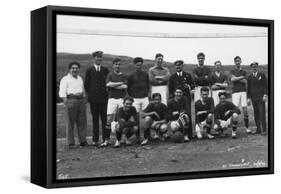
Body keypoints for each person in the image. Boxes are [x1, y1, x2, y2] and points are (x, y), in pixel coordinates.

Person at [59, 61, 88, 147]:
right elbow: (62, 92)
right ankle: (70, 143)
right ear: (69, 69)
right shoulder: (65, 79)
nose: (75, 70)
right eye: (73, 68)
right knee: (70, 123)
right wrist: (66, 102)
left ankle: (83, 141)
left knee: (82, 122)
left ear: (78, 69)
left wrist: (84, 99)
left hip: (81, 101)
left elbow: (82, 90)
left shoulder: (80, 78)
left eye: (76, 68)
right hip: (71, 101)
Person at [84, 51, 110, 146]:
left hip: (104, 100)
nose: (99, 58)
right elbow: (86, 85)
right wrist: (91, 95)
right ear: (94, 58)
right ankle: (95, 140)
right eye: (97, 57)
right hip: (94, 100)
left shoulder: (105, 70)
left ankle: (105, 139)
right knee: (95, 119)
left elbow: (108, 82)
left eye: (101, 57)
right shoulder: (89, 70)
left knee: (104, 120)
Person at [104, 58, 128, 147]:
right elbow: (107, 84)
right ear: (113, 65)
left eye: (119, 64)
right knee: (109, 120)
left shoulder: (124, 76)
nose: (117, 66)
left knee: (121, 119)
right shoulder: (110, 74)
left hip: (121, 99)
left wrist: (113, 85)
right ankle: (106, 140)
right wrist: (119, 83)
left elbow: (124, 86)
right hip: (112, 99)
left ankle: (119, 140)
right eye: (116, 64)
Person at [168, 60, 194, 139]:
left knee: (187, 115)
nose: (178, 66)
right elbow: (170, 89)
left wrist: (189, 86)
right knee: (176, 115)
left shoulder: (188, 75)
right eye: (176, 65)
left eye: (180, 65)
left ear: (182, 66)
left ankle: (188, 134)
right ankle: (177, 133)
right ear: (175, 67)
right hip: (176, 98)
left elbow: (192, 85)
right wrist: (172, 98)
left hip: (186, 98)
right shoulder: (172, 77)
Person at [127, 57, 150, 142]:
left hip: (144, 98)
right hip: (135, 99)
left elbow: (148, 85)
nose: (139, 66)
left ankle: (147, 136)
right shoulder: (131, 75)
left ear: (142, 65)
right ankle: (137, 137)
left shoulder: (145, 74)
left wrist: (147, 93)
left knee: (146, 116)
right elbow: (129, 88)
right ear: (134, 65)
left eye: (140, 65)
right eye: (137, 65)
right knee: (136, 117)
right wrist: (132, 96)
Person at [230, 56, 251, 134]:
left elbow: (245, 81)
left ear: (241, 61)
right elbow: (232, 79)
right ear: (234, 62)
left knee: (245, 110)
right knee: (234, 111)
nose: (237, 62)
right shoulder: (232, 70)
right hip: (235, 92)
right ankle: (233, 130)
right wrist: (241, 77)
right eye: (236, 61)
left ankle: (247, 128)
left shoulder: (244, 71)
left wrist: (236, 78)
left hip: (243, 92)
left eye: (239, 61)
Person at [247, 62, 268, 135]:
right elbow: (248, 88)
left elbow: (265, 85)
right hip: (253, 98)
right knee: (256, 114)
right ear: (251, 68)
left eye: (255, 66)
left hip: (261, 98)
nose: (254, 68)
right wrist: (248, 98)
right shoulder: (249, 77)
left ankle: (264, 130)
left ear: (257, 67)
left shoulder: (262, 75)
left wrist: (265, 95)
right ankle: (258, 129)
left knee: (262, 113)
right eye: (253, 67)